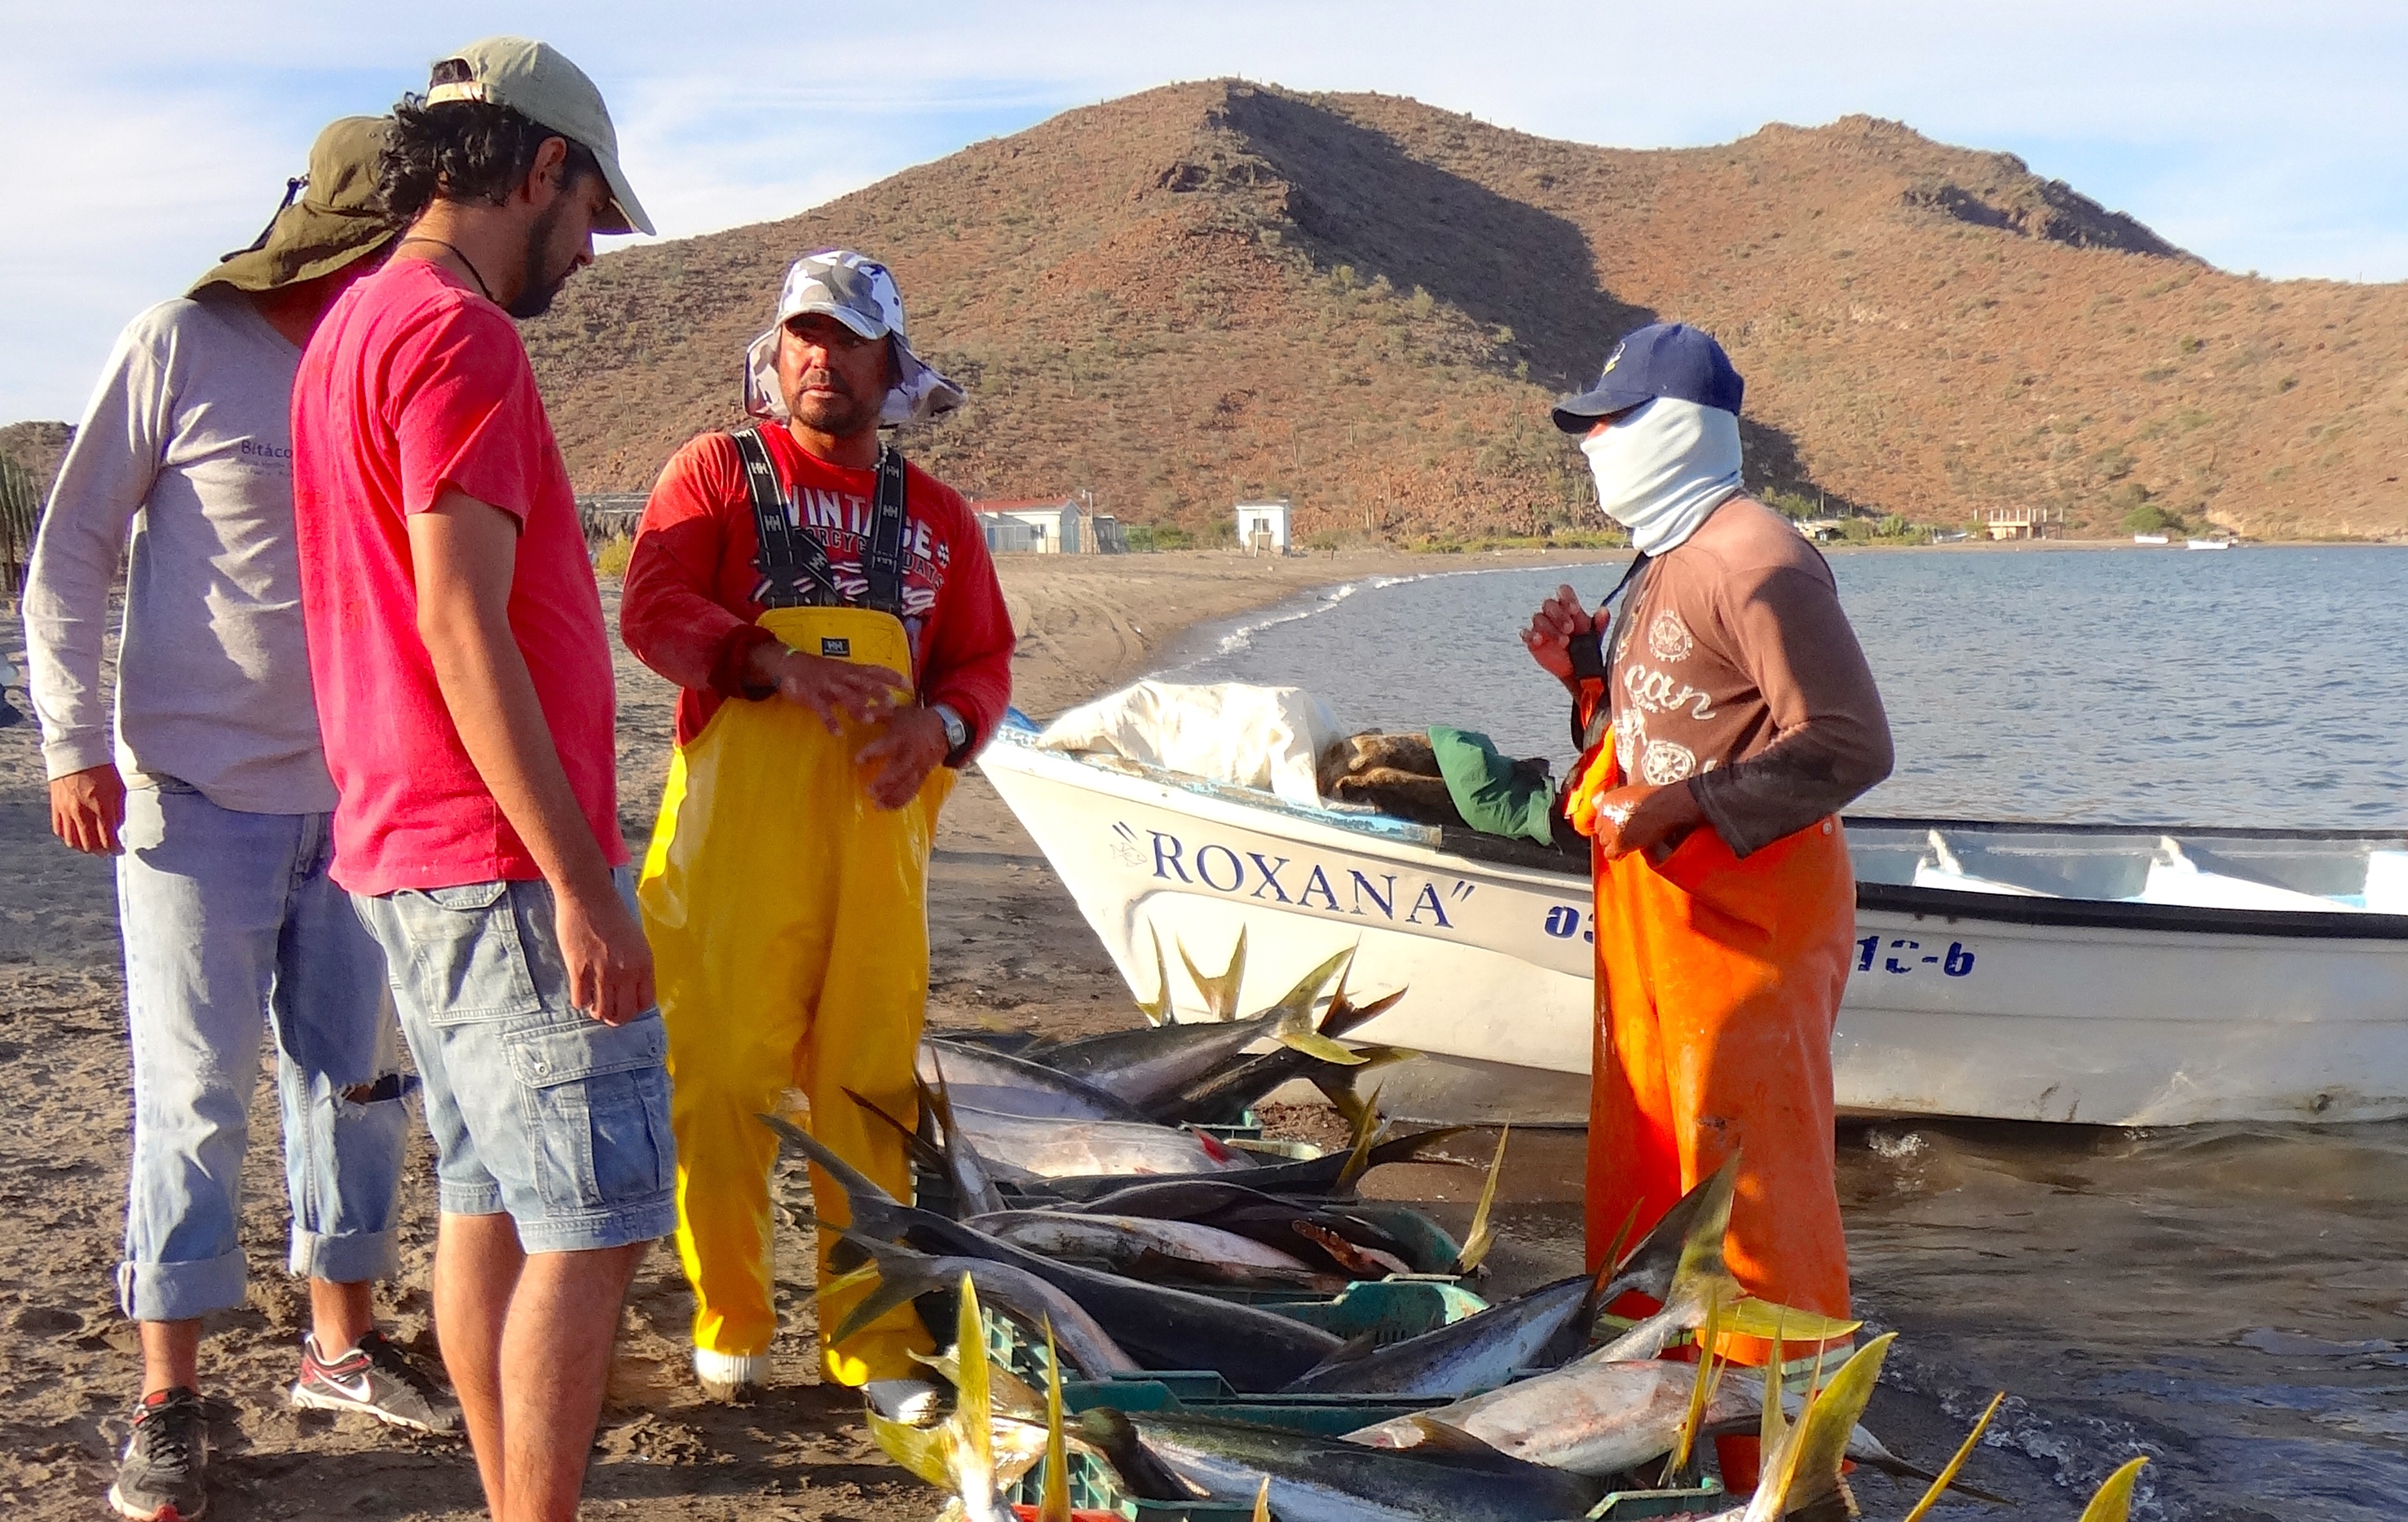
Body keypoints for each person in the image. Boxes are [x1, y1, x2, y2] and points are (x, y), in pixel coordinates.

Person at [21, 117, 461, 1522]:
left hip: (361, 797)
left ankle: (338, 1344)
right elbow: (71, 551)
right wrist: (77, 743)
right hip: (192, 799)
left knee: (359, 1086)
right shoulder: (179, 342)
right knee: (195, 1099)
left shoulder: (385, 359)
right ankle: (169, 1394)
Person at [289, 39, 668, 1522]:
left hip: (403, 842)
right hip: (492, 852)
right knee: (590, 1219)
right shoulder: (458, 337)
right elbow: (458, 615)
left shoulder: (351, 327)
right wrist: (582, 880)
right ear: (539, 166)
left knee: (487, 1200)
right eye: (587, 214)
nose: (586, 250)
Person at [618, 249, 1012, 1396]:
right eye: (801, 333)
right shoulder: (713, 474)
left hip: (879, 853)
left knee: (866, 1089)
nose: (818, 356)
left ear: (890, 364)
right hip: (730, 856)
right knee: (723, 1083)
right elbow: (653, 608)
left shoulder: (940, 518)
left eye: (843, 337)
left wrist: (939, 727)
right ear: (774, 351)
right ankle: (732, 1315)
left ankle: (873, 1340)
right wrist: (768, 660)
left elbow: (984, 661)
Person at [1522, 322, 1892, 1365]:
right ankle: (1661, 1395)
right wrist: (1581, 677)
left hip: (1747, 926)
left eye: (1607, 421)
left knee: (1751, 1191)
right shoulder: (1656, 557)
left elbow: (1851, 742)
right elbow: (1668, 720)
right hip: (1658, 917)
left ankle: (1779, 1437)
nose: (1591, 441)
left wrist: (1678, 806)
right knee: (1654, 1162)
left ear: (1672, 426)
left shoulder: (1757, 557)